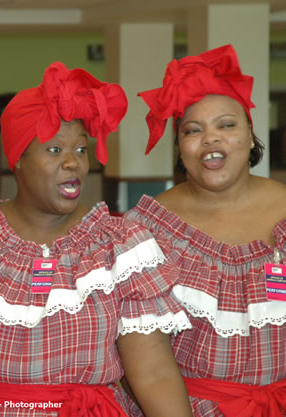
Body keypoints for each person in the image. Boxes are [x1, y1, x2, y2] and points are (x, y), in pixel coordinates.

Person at [0, 62, 194, 417]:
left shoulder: (119, 247)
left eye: (81, 149)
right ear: (18, 160)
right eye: (55, 150)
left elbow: (153, 374)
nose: (73, 162)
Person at [125, 44, 286, 416]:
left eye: (227, 125)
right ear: (180, 148)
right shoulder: (144, 232)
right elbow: (147, 366)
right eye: (192, 130)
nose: (211, 139)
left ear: (250, 136)